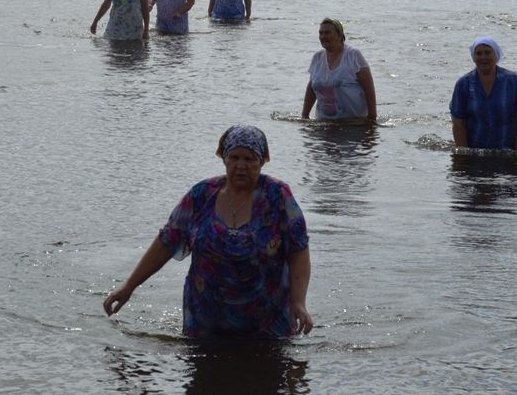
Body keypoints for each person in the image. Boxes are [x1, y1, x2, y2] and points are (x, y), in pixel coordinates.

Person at [103, 124, 313, 338]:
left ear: (261, 161)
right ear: (224, 159)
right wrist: (129, 286)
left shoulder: (278, 196)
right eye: (234, 158)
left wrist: (298, 302)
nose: (241, 165)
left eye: (249, 159)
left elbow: (299, 251)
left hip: (268, 320)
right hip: (206, 318)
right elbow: (167, 241)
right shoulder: (201, 195)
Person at [451, 37, 517, 151]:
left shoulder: (513, 81)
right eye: (479, 53)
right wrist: (463, 156)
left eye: (488, 52)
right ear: (474, 57)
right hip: (476, 153)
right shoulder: (463, 84)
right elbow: (458, 124)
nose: (483, 57)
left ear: (496, 55)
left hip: (508, 150)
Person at [301, 18, 377, 123]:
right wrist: (305, 115)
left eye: (327, 33)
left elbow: (369, 89)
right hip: (323, 124)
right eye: (321, 33)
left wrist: (372, 118)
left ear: (340, 35)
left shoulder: (353, 55)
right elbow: (311, 88)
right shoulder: (317, 57)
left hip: (354, 123)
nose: (323, 37)